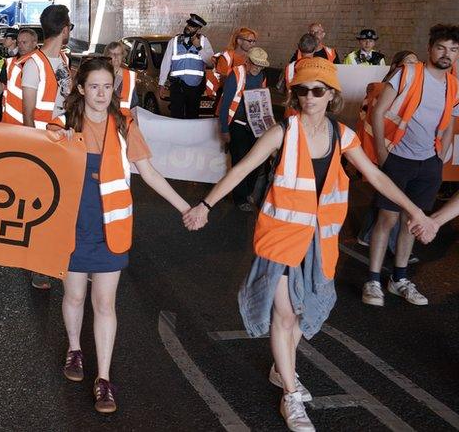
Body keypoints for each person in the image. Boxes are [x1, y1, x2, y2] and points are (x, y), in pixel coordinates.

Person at [183, 57, 437, 432]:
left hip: (320, 241)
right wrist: (205, 205)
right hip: (282, 237)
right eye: (302, 90)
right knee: (284, 316)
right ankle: (290, 391)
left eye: (318, 90)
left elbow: (376, 178)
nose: (309, 97)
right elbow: (242, 168)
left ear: (331, 95)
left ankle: (279, 365)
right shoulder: (283, 131)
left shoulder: (342, 135)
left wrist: (415, 211)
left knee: (303, 314)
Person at [51, 58, 191, 413]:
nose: (101, 93)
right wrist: (59, 143)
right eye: (94, 86)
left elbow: (149, 172)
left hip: (111, 227)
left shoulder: (125, 125)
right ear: (80, 89)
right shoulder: (64, 123)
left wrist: (185, 207)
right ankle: (74, 349)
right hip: (71, 226)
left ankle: (104, 379)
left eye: (107, 86)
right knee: (74, 296)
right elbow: (37, 166)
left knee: (104, 303)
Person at [363, 24, 459, 307]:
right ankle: (373, 279)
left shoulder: (453, 84)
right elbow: (379, 111)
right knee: (387, 219)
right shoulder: (409, 73)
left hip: (428, 162)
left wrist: (440, 155)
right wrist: (382, 153)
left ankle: (399, 279)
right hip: (398, 158)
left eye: (453, 50)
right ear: (430, 48)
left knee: (412, 221)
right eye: (441, 47)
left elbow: (450, 120)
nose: (447, 54)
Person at [3, 5, 73, 289]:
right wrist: (36, 152)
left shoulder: (64, 62)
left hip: (63, 145)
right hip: (42, 149)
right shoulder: (34, 64)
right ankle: (37, 266)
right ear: (65, 29)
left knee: (59, 208)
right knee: (40, 209)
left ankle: (54, 258)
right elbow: (28, 114)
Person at [355, 51, 419, 257]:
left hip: (393, 151)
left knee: (386, 198)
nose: (413, 68)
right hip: (384, 151)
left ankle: (366, 234)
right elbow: (370, 121)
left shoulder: (406, 91)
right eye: (408, 63)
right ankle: (391, 245)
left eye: (416, 64)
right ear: (395, 67)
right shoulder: (382, 90)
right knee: (393, 202)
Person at [217, 47, 270, 211]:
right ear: (248, 62)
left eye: (261, 66)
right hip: (237, 126)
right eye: (255, 65)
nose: (257, 69)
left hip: (255, 127)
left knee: (256, 161)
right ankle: (240, 198)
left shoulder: (261, 76)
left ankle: (247, 191)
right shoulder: (237, 74)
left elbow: (262, 101)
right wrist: (225, 129)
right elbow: (225, 104)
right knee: (239, 162)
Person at [158, 14, 215, 119]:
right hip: (177, 86)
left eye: (192, 26)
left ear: (198, 29)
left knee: (192, 117)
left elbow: (211, 62)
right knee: (176, 116)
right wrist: (161, 84)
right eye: (188, 24)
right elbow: (166, 63)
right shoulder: (174, 41)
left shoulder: (203, 41)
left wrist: (199, 47)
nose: (189, 28)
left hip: (195, 87)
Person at [104, 40, 138, 110]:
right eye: (112, 54)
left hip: (122, 119)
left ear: (122, 56)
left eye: (118, 54)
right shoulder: (99, 75)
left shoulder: (129, 76)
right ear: (107, 56)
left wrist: (135, 120)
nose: (116, 57)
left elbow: (133, 106)